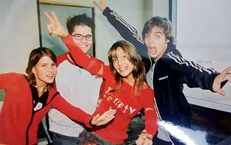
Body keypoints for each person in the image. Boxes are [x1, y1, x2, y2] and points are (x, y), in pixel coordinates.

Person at [93, 0, 231, 144]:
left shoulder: (171, 60)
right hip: (155, 126)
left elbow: (190, 69)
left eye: (157, 36)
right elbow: (128, 31)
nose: (151, 41)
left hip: (176, 127)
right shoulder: (146, 52)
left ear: (167, 39)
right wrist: (106, 10)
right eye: (147, 36)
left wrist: (213, 79)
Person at [45, 11, 158, 145]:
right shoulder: (110, 74)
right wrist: (64, 34)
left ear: (133, 59)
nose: (120, 64)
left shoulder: (145, 91)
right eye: (115, 59)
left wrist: (149, 134)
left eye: (124, 57)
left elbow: (151, 116)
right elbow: (82, 59)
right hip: (90, 136)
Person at [0, 47, 116, 145]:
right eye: (44, 65)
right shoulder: (17, 81)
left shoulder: (51, 95)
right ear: (33, 69)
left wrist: (92, 120)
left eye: (53, 65)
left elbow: (74, 112)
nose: (50, 70)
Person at [47, 13, 104, 145]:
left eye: (88, 36)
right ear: (69, 37)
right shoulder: (56, 64)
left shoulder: (99, 65)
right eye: (78, 36)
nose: (84, 41)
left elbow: (102, 95)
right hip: (64, 133)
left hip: (91, 132)